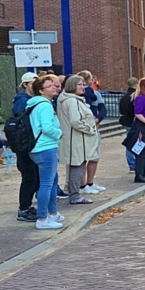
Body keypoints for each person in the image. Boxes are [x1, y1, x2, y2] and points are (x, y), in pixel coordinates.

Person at [26, 75, 64, 230]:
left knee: (53, 181)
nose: (54, 88)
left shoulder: (34, 104)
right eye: (49, 86)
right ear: (41, 91)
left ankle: (53, 213)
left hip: (38, 147)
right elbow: (46, 127)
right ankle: (42, 218)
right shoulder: (45, 105)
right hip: (45, 147)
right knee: (47, 184)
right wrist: (59, 133)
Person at [57, 75, 100, 205]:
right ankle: (75, 195)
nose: (83, 87)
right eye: (79, 84)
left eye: (83, 84)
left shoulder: (67, 99)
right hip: (76, 139)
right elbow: (76, 121)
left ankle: (73, 192)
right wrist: (90, 129)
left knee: (76, 166)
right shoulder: (72, 101)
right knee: (77, 166)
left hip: (73, 138)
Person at [12, 73, 40, 222]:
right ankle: (23, 209)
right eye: (32, 83)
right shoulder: (22, 101)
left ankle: (27, 206)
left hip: (30, 143)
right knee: (29, 177)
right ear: (25, 85)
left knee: (34, 177)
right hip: (25, 144)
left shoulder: (29, 100)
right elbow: (21, 121)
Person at [76, 70, 105, 193]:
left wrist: (98, 119)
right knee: (82, 158)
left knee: (94, 156)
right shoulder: (76, 97)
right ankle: (82, 185)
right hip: (84, 129)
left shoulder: (95, 94)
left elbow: (102, 108)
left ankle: (90, 182)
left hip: (94, 127)